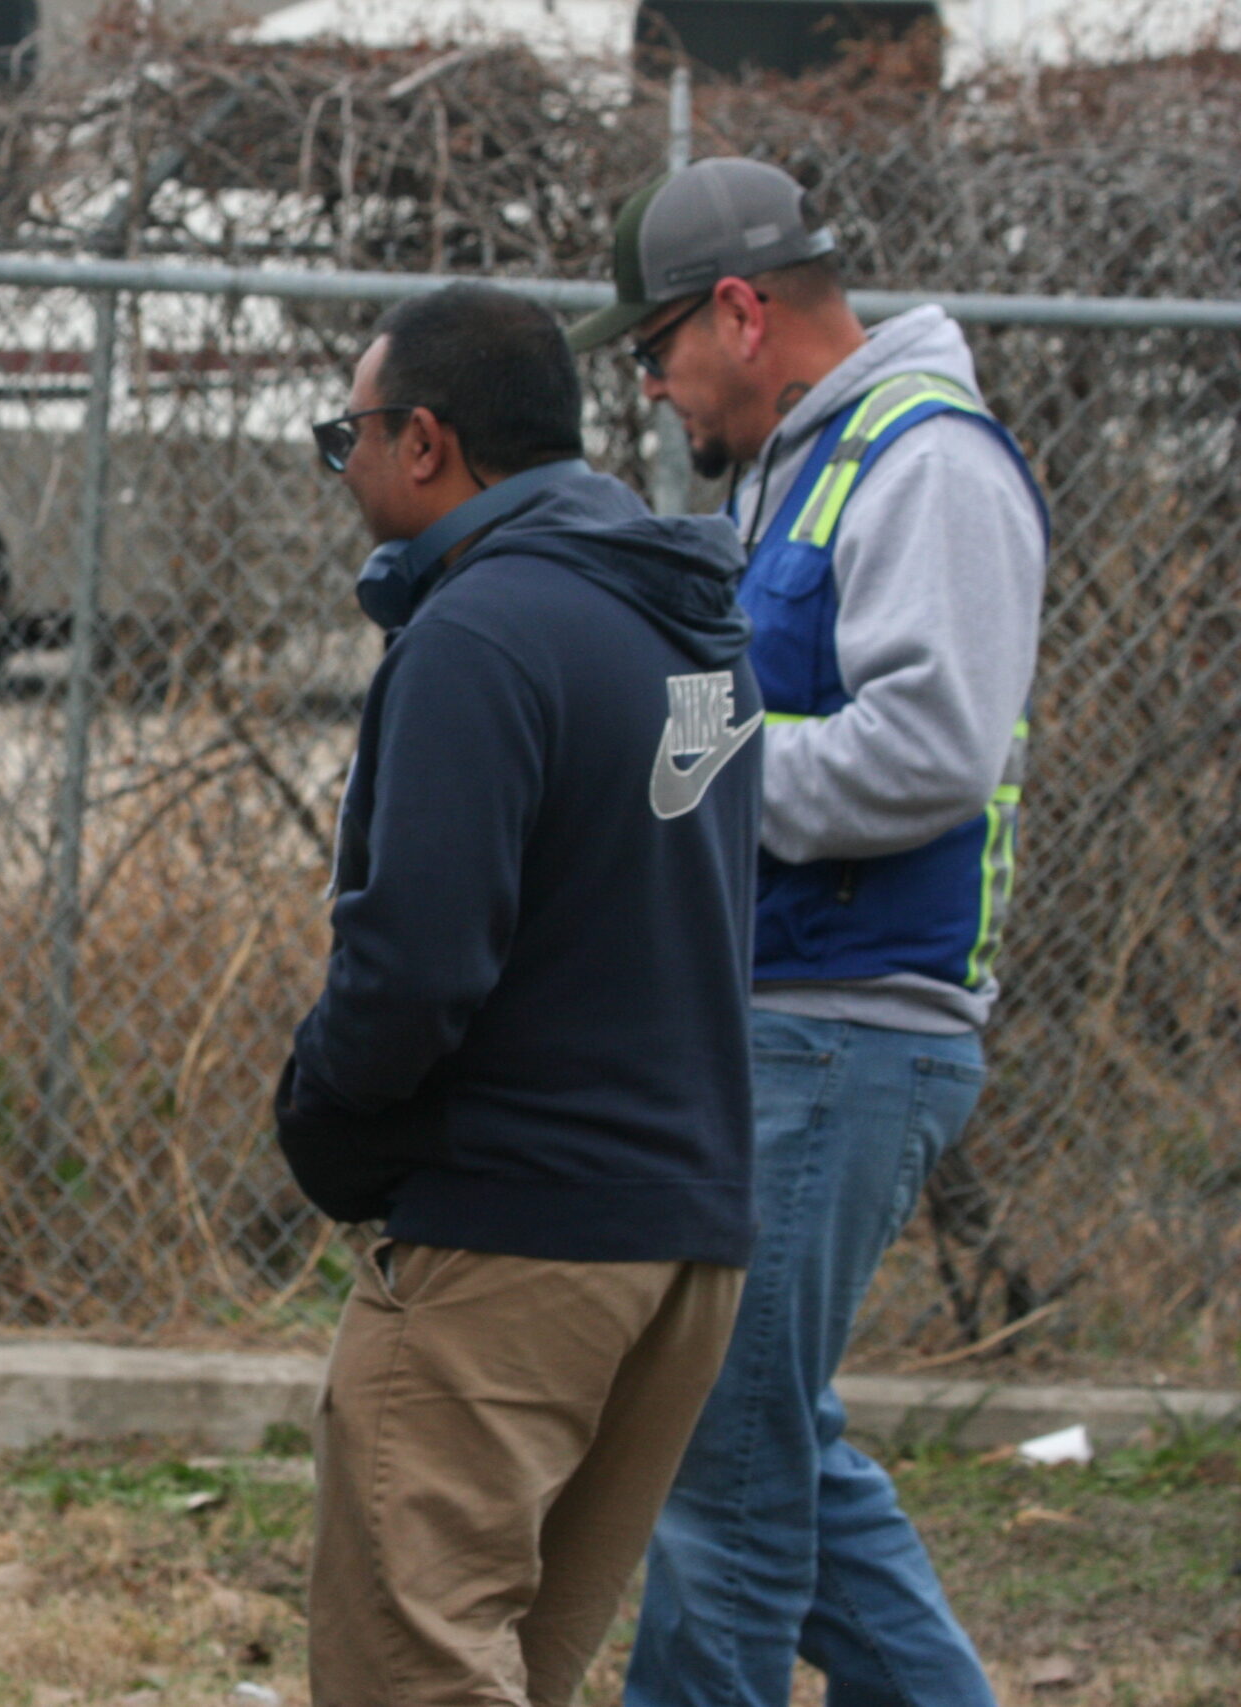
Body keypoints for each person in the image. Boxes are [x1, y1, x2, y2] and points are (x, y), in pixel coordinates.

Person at [569, 158, 1050, 1707]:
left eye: (658, 351)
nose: (654, 388)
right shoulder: (802, 464)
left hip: (852, 1034)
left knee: (718, 1467)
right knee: (766, 1443)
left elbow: (933, 748)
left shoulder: (929, 465)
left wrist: (704, 792)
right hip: (788, 1024)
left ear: (740, 310)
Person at [276, 281, 763, 1707]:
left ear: (425, 442)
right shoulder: (679, 617)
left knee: (412, 1668)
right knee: (517, 1668)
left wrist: (322, 1112)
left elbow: (415, 964)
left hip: (518, 1234)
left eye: (348, 431)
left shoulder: (484, 634)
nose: (343, 459)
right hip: (683, 1237)